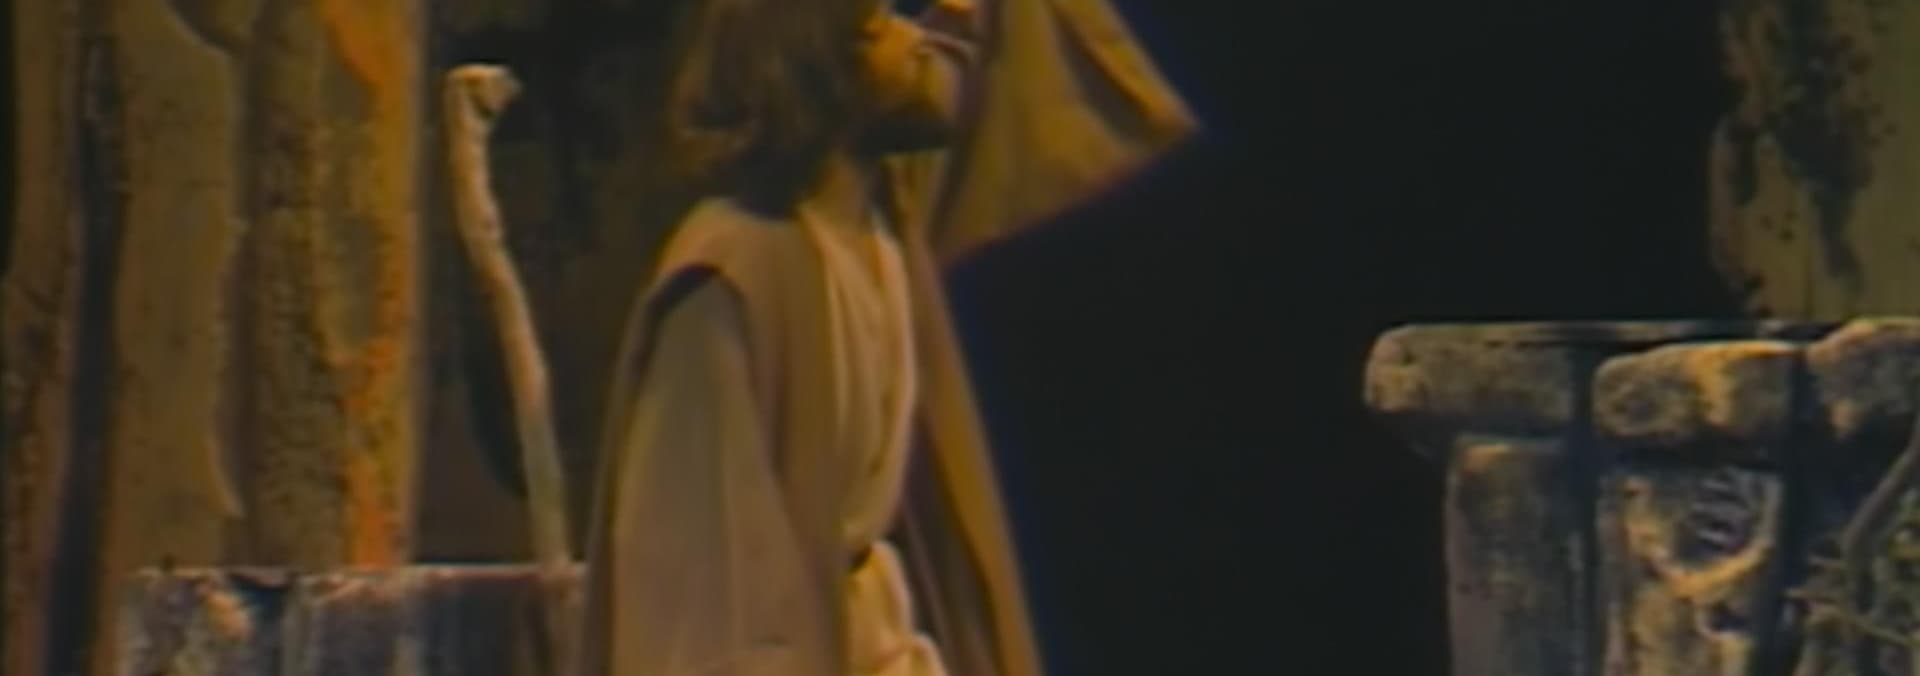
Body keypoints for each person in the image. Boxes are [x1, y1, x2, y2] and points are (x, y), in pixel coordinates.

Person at [572, 0, 1196, 674]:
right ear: (817, 58)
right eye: (882, 24)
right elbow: (702, 591)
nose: (916, 42)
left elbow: (986, 67)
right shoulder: (736, 272)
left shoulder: (881, 223)